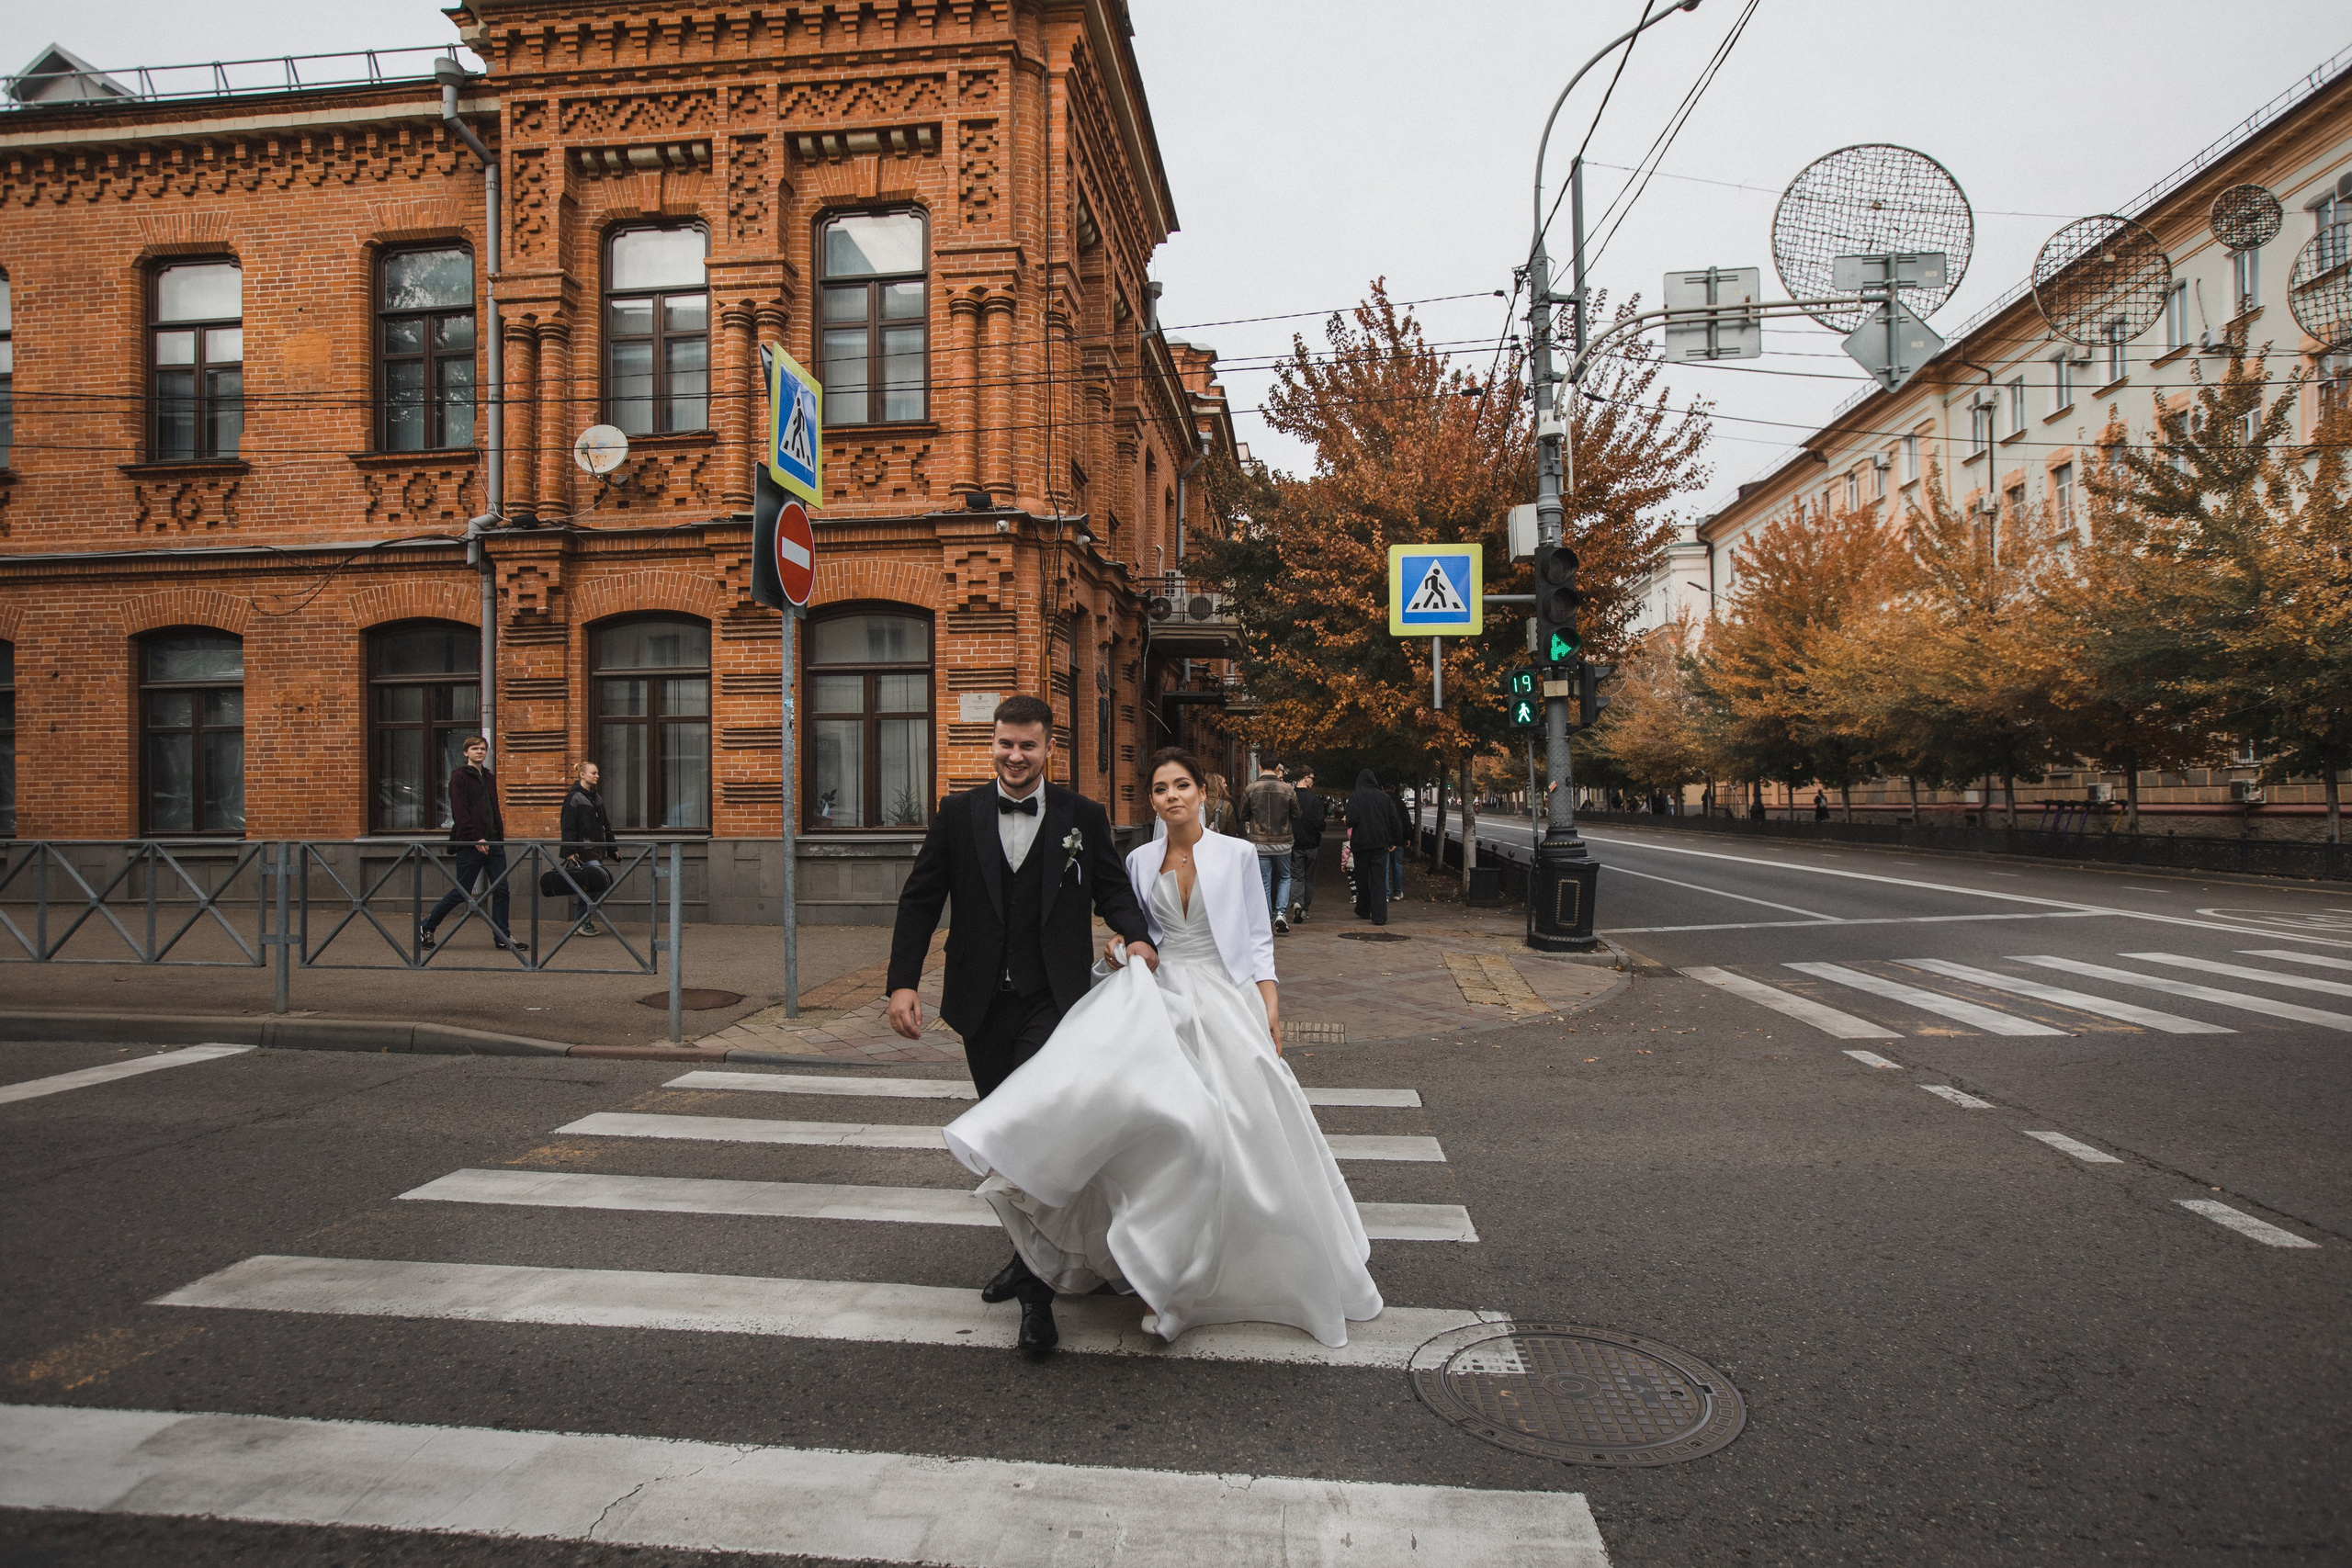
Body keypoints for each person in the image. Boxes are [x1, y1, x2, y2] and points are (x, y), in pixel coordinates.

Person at [942, 746, 1384, 1355]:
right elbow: (1134, 929)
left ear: (1204, 793)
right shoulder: (1141, 858)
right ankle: (1156, 1277)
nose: (1171, 796)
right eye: (1160, 788)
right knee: (1160, 1132)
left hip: (1224, 1002)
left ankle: (1230, 1262)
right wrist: (1117, 953)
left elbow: (1258, 938)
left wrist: (1270, 1004)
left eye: (1181, 785)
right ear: (1150, 800)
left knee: (1235, 1135)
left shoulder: (1237, 855)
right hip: (1158, 1000)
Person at [884, 694, 1157, 1355]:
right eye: (1005, 743)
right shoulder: (958, 813)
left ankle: (1037, 1301)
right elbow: (922, 897)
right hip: (980, 1002)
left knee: (1035, 1136)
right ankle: (1026, 1253)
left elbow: (1111, 888)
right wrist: (901, 981)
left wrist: (1138, 936)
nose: (1014, 756)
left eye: (1027, 746)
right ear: (994, 743)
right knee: (1008, 1143)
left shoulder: (1081, 817)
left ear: (1048, 747)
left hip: (1051, 1001)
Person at [418, 736, 526, 953]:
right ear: (466, 752)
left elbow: (493, 811)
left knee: (502, 889)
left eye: (483, 749)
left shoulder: (489, 777)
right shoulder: (459, 777)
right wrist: (476, 838)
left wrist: (495, 838)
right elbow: (460, 812)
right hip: (470, 842)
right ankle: (427, 926)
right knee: (462, 891)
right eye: (475, 749)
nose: (479, 752)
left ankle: (502, 936)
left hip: (494, 842)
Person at [559, 760, 617, 935]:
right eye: (593, 773)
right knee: (599, 880)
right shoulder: (574, 797)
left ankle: (582, 920)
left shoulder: (596, 797)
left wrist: (612, 847)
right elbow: (567, 825)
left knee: (592, 885)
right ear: (582, 775)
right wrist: (569, 850)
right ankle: (582, 920)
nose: (597, 776)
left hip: (596, 849)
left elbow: (605, 824)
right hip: (582, 850)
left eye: (597, 773)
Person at [1238, 761, 1298, 934]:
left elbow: (1242, 814)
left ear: (1260, 766)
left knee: (1264, 880)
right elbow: (1297, 814)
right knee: (1285, 877)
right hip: (1283, 841)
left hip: (1260, 842)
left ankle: (1265, 918)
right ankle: (1281, 913)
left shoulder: (1251, 789)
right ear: (1277, 768)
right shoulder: (1287, 789)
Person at [1346, 770, 1401, 926]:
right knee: (1378, 879)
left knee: (1362, 879)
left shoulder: (1355, 796)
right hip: (1380, 844)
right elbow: (1394, 820)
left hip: (1361, 844)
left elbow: (1351, 820)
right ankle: (1379, 916)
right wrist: (1396, 840)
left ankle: (1364, 908)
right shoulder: (1384, 797)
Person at [1289, 766, 1325, 924]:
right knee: (1309, 878)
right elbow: (1320, 823)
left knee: (1296, 876)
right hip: (1312, 844)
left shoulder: (1290, 797)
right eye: (1311, 777)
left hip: (1295, 843)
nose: (1313, 781)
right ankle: (1304, 910)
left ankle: (1297, 902)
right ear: (1305, 778)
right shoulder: (1314, 800)